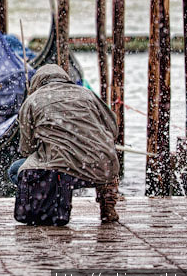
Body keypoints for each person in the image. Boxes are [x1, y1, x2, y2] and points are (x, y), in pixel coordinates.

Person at [10, 64, 120, 223]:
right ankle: (107, 206)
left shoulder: (32, 100)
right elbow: (113, 129)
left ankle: (54, 198)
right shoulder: (88, 94)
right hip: (100, 168)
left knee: (15, 170)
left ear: (36, 83)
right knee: (105, 158)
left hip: (59, 171)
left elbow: (27, 148)